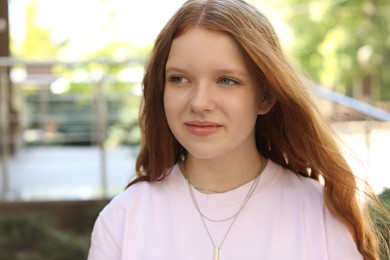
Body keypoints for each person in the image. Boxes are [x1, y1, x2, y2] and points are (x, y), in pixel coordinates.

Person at [88, 0, 389, 259]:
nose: (200, 102)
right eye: (179, 79)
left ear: (266, 96)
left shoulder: (322, 216)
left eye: (227, 80)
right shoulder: (122, 220)